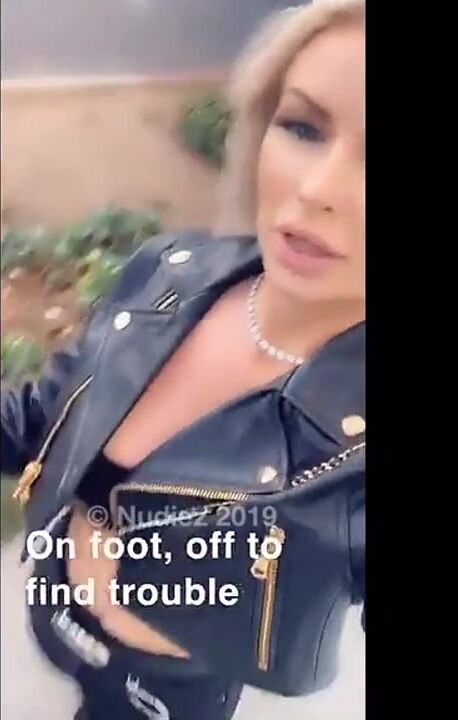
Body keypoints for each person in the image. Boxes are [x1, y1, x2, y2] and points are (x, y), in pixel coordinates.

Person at [0, 1, 365, 717]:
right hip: (48, 619)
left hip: (161, 699)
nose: (316, 189)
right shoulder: (172, 271)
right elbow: (46, 416)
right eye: (302, 127)